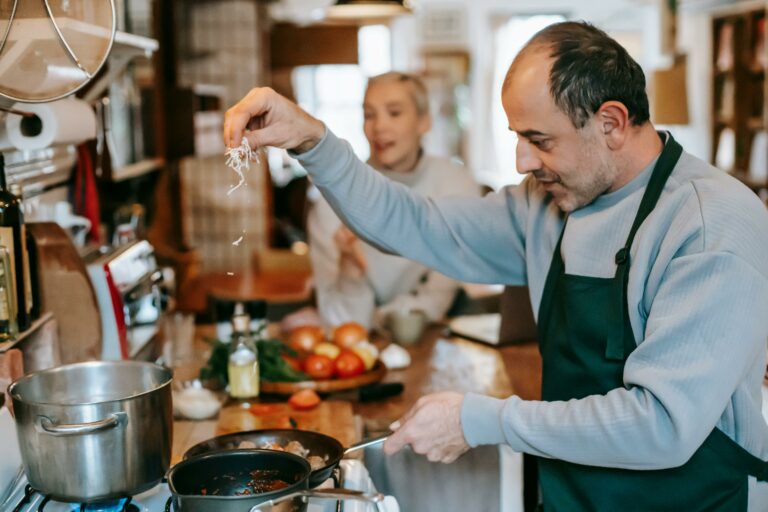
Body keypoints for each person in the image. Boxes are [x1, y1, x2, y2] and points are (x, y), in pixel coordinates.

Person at [225, 21, 768, 511]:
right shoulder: (544, 205)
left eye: (539, 140)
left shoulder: (710, 223)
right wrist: (314, 141)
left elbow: (663, 425)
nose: (521, 163)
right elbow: (415, 223)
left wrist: (481, 418)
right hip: (571, 494)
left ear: (611, 122)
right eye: (517, 137)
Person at [307, 71, 479, 330]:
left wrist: (380, 318)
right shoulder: (331, 201)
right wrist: (350, 272)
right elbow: (343, 324)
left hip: (428, 334)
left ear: (424, 121)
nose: (379, 127)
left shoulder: (457, 185)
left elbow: (437, 297)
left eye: (394, 113)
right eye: (369, 115)